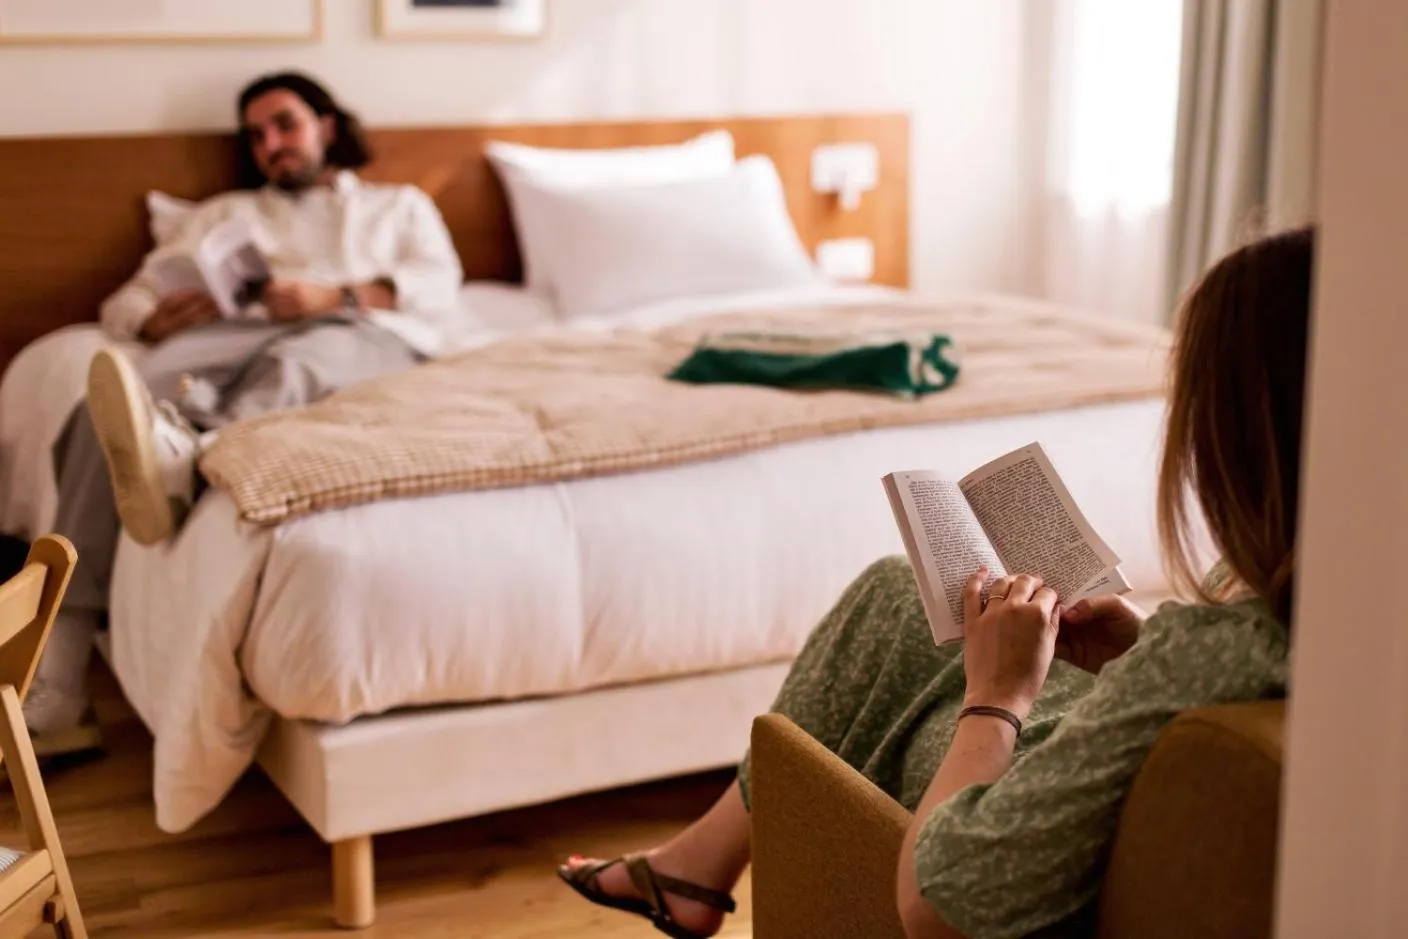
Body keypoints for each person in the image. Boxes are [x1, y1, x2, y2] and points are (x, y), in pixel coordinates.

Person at [558, 225, 1311, 939]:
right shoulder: (1321, 585)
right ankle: (698, 863)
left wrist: (997, 693)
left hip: (1050, 788)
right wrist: (1134, 646)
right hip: (1131, 724)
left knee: (934, 641)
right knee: (899, 592)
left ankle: (690, 873)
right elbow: (1193, 672)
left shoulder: (1220, 645)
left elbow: (938, 903)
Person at [25, 71, 463, 749]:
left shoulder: (397, 206)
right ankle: (61, 678)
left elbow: (440, 288)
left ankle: (187, 454)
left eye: (285, 124)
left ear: (326, 125)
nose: (272, 144)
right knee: (102, 409)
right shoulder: (223, 214)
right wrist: (155, 319)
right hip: (228, 336)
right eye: (256, 135)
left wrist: (333, 297)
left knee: (295, 369)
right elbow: (125, 302)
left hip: (352, 331)